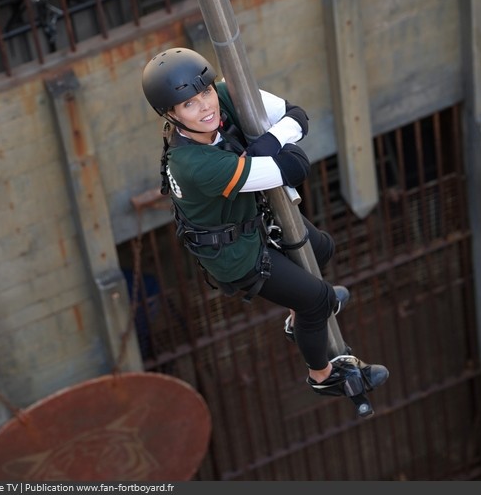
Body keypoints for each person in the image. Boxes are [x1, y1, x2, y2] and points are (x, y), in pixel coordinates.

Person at [141, 47, 388, 404]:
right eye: (190, 105)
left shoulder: (225, 96)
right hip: (235, 255)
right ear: (170, 114)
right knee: (317, 301)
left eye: (206, 92)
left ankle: (297, 321)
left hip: (252, 220)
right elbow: (295, 166)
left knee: (321, 248)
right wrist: (274, 145)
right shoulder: (194, 164)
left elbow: (297, 116)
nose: (207, 106)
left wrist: (265, 145)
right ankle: (322, 376)